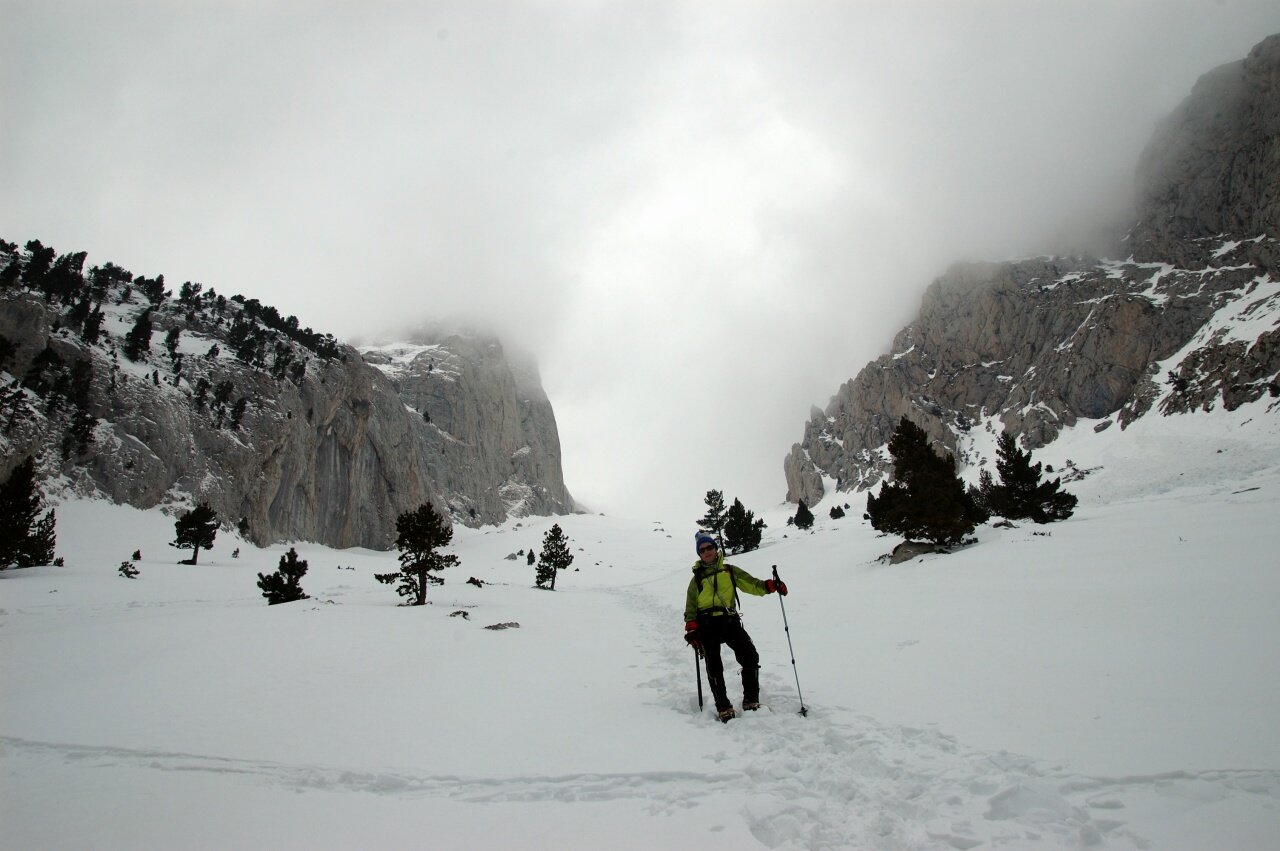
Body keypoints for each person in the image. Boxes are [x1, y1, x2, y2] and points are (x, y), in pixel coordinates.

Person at [684, 532, 787, 722]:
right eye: (702, 550)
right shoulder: (696, 579)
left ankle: (751, 701)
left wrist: (769, 586)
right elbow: (691, 605)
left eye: (709, 547)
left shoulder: (730, 571)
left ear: (716, 549)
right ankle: (723, 708)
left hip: (728, 620)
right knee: (714, 666)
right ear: (699, 554)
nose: (706, 552)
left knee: (750, 655)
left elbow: (751, 584)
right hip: (706, 624)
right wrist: (691, 626)